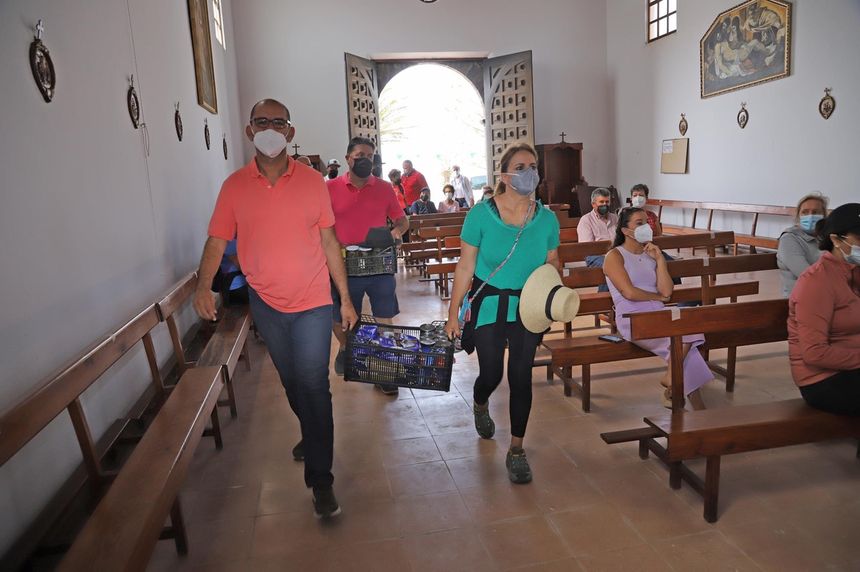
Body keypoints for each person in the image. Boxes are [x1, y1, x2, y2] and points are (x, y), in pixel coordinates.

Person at [194, 99, 357, 519]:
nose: (270, 128)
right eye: (262, 121)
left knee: (314, 383)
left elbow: (329, 242)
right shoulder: (233, 187)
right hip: (266, 302)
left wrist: (345, 298)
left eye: (278, 122)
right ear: (250, 130)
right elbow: (216, 241)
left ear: (290, 131)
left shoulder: (312, 182)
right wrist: (202, 288)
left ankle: (321, 480)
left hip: (314, 302)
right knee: (292, 382)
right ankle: (313, 431)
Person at [445, 142, 560, 484]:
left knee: (521, 376)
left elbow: (553, 261)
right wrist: (453, 315)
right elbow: (466, 266)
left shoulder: (547, 218)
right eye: (521, 166)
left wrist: (554, 296)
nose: (530, 173)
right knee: (492, 373)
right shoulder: (481, 214)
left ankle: (517, 450)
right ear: (505, 175)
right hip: (490, 303)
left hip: (529, 305)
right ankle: (480, 403)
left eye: (533, 166)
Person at [603, 207, 712, 410]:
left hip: (658, 313)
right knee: (685, 339)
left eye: (647, 221)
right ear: (626, 230)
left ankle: (674, 384)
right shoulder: (614, 256)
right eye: (639, 222)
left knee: (684, 342)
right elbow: (629, 292)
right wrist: (658, 297)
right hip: (632, 316)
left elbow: (667, 291)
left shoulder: (651, 254)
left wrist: (660, 259)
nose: (647, 226)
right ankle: (693, 403)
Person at [328, 137, 410, 395]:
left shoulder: (384, 188)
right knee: (338, 314)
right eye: (360, 155)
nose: (365, 160)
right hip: (342, 262)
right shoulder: (329, 189)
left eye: (370, 156)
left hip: (378, 260)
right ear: (347, 158)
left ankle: (385, 370)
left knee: (384, 316)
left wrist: (396, 232)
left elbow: (402, 220)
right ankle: (345, 347)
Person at [787, 203, 860, 416]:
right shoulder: (816, 281)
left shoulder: (854, 271)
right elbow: (814, 353)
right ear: (837, 240)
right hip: (824, 380)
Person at [777, 193, 828, 297]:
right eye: (805, 212)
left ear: (824, 216)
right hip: (801, 298)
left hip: (827, 295)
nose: (810, 216)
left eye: (815, 212)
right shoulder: (789, 238)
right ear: (798, 217)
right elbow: (806, 274)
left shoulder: (828, 237)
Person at [577, 187, 618, 291]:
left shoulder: (615, 218)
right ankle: (603, 298)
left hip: (616, 254)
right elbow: (587, 247)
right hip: (595, 255)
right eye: (601, 202)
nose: (605, 205)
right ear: (593, 204)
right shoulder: (586, 220)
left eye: (607, 202)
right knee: (610, 266)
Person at [214, 238, 248, 305]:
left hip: (241, 285)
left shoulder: (235, 239)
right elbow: (242, 267)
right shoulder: (230, 241)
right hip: (236, 288)